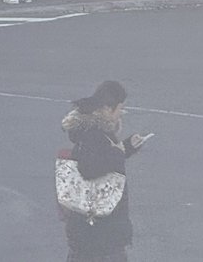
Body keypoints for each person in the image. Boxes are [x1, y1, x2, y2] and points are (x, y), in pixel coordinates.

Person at [60, 80, 147, 262]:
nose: (120, 115)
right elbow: (90, 167)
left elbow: (100, 159)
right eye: (119, 109)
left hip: (90, 234)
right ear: (108, 109)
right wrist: (118, 151)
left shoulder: (91, 132)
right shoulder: (94, 134)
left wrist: (126, 147)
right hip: (100, 238)